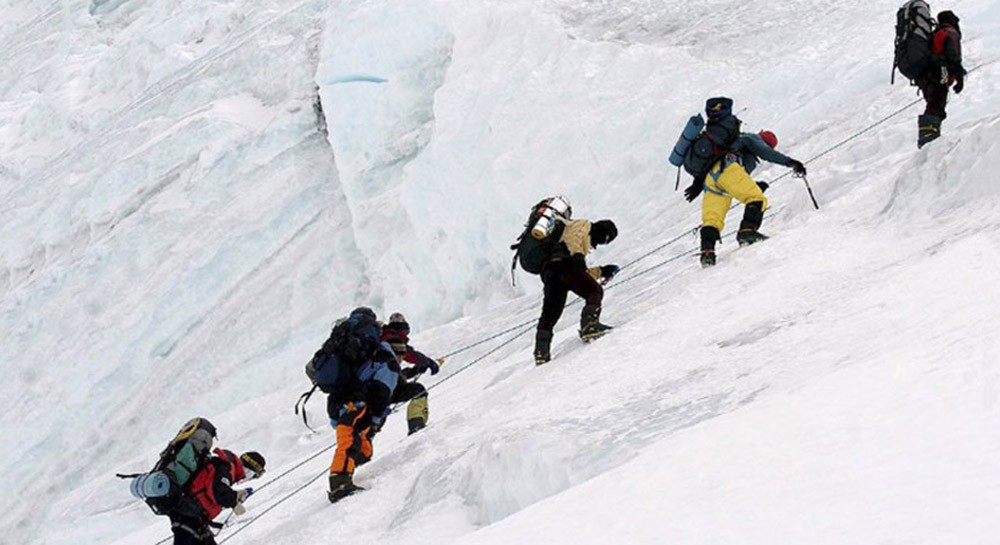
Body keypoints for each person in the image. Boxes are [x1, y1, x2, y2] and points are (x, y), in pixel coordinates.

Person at [684, 128, 806, 267]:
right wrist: (791, 162)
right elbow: (767, 154)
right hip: (726, 169)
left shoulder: (738, 145)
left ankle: (707, 252)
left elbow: (737, 182)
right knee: (757, 199)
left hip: (710, 180)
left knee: (712, 219)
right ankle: (747, 231)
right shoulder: (753, 138)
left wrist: (754, 185)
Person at [325, 307, 400, 503]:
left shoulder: (345, 344)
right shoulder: (380, 353)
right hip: (356, 401)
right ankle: (340, 483)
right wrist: (375, 418)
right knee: (349, 440)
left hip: (337, 400)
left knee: (361, 446)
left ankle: (347, 468)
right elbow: (382, 389)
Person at [533, 218, 619, 365]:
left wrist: (602, 271)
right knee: (594, 291)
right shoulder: (584, 225)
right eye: (604, 240)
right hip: (564, 265)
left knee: (551, 312)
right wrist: (579, 256)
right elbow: (573, 238)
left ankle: (541, 352)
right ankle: (589, 326)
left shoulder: (572, 246)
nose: (598, 245)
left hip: (551, 272)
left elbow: (581, 275)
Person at [169, 448, 265, 545]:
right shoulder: (225, 467)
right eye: (253, 476)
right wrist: (234, 502)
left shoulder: (225, 467)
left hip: (193, 515)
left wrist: (235, 495)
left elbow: (214, 488)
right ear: (249, 471)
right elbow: (219, 491)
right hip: (188, 513)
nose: (249, 479)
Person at [380, 312, 443, 435]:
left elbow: (389, 371)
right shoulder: (392, 339)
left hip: (368, 388)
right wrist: (428, 362)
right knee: (419, 391)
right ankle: (416, 427)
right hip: (382, 389)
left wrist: (414, 371)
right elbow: (410, 354)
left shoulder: (381, 338)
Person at [916, 10, 965, 148]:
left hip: (927, 75)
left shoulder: (936, 33)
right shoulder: (950, 33)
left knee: (934, 102)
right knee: (937, 102)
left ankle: (928, 139)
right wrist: (959, 77)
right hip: (939, 71)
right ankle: (929, 140)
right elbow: (952, 57)